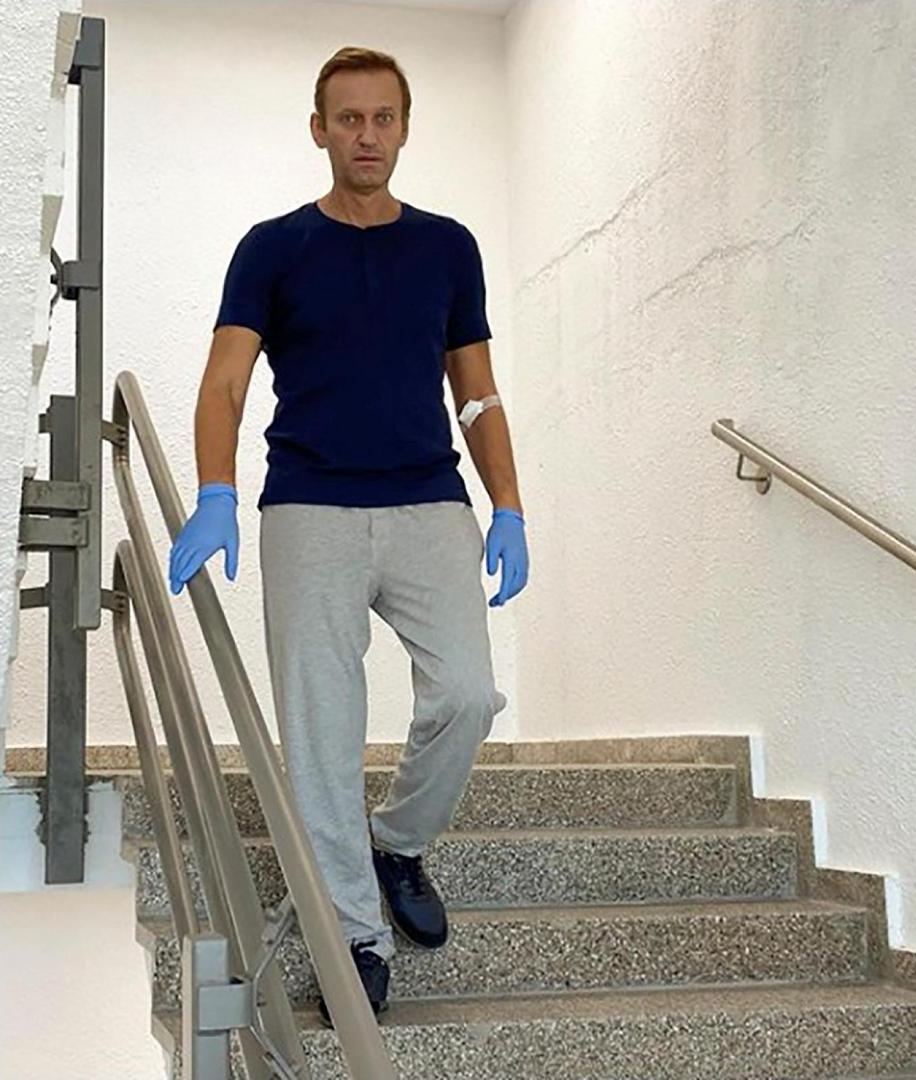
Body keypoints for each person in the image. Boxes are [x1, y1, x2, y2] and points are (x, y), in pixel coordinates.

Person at [166, 46, 528, 1024]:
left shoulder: (447, 247)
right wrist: (215, 491)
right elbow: (226, 382)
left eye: (383, 118)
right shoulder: (273, 248)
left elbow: (478, 392)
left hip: (428, 503)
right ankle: (353, 938)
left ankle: (398, 843)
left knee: (468, 694)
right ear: (319, 129)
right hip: (309, 509)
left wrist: (509, 504)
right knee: (322, 732)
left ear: (404, 129)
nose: (367, 135)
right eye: (349, 118)